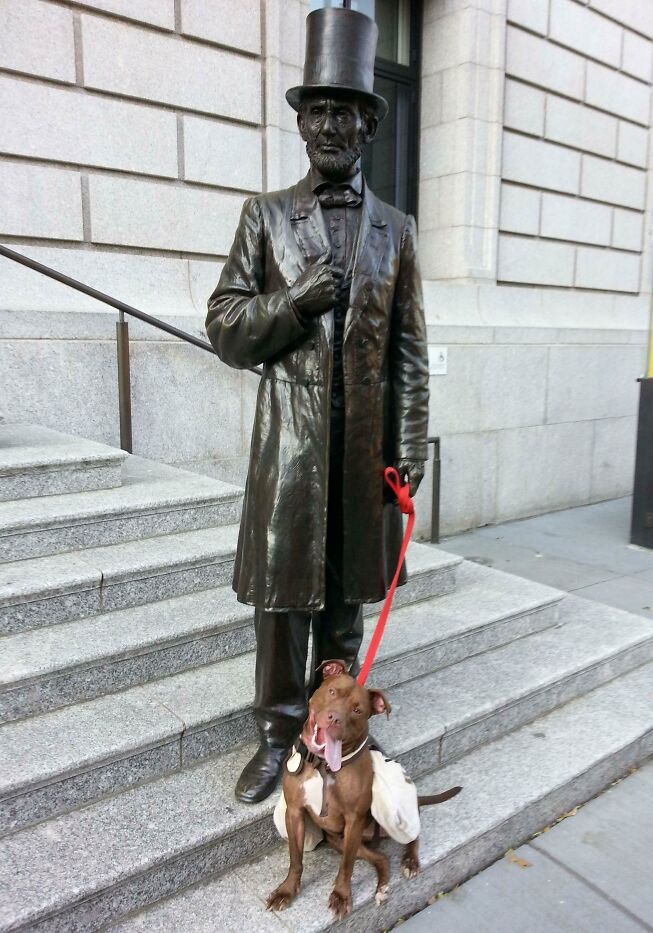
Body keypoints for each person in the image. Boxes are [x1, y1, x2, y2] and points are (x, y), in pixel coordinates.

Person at [206, 6, 429, 803]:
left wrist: (410, 447)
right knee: (280, 604)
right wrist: (295, 302)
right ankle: (275, 733)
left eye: (347, 111)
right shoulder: (263, 218)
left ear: (369, 125)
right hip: (291, 453)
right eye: (318, 110)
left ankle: (337, 730)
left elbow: (408, 350)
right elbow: (225, 326)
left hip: (364, 452)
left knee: (342, 608)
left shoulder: (397, 231)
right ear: (302, 123)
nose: (331, 124)